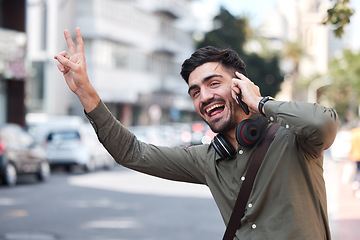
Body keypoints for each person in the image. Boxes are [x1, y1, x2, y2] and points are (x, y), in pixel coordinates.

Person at [54, 27, 339, 239]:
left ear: (240, 85)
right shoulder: (206, 160)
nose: (203, 96)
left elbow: (323, 124)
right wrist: (85, 92)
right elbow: (132, 152)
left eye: (213, 83)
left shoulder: (293, 138)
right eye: (195, 92)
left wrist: (260, 103)